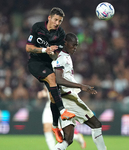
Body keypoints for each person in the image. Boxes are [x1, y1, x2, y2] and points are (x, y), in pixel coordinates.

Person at [25, 7, 75, 143]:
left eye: (60, 21)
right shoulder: (37, 27)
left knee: (54, 95)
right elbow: (28, 47)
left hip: (48, 64)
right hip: (35, 62)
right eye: (56, 20)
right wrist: (44, 50)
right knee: (52, 78)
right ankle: (63, 111)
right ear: (49, 18)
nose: (57, 23)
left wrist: (53, 53)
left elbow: (57, 53)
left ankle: (55, 127)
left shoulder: (60, 34)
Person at [52, 32, 107, 150]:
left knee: (68, 139)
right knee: (96, 125)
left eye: (76, 45)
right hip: (69, 99)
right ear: (65, 43)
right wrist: (81, 86)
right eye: (73, 45)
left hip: (63, 101)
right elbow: (58, 79)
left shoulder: (66, 56)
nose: (75, 48)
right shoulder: (61, 58)